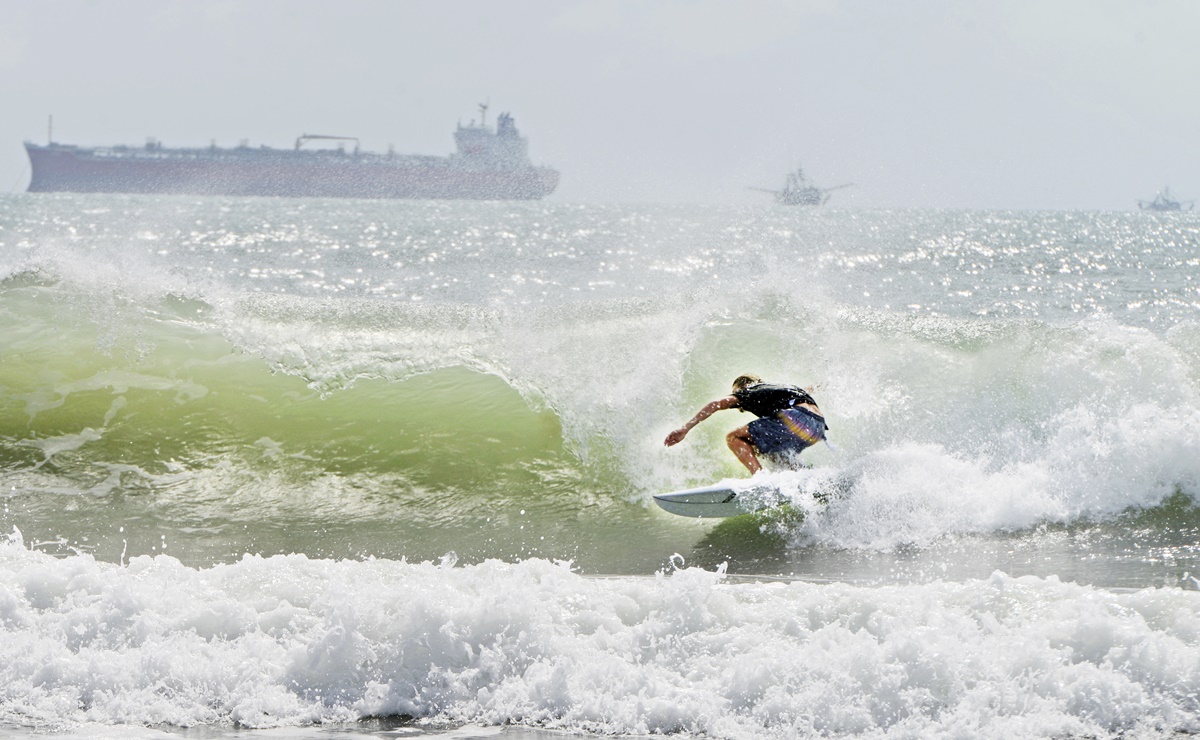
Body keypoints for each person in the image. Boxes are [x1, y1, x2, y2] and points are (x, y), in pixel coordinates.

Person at [663, 374, 828, 474]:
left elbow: (716, 404)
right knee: (764, 448)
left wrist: (685, 428)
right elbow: (808, 390)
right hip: (817, 429)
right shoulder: (778, 389)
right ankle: (802, 474)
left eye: (736, 392)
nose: (738, 401)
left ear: (744, 386)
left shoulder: (750, 390)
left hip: (797, 419)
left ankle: (760, 480)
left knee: (733, 437)